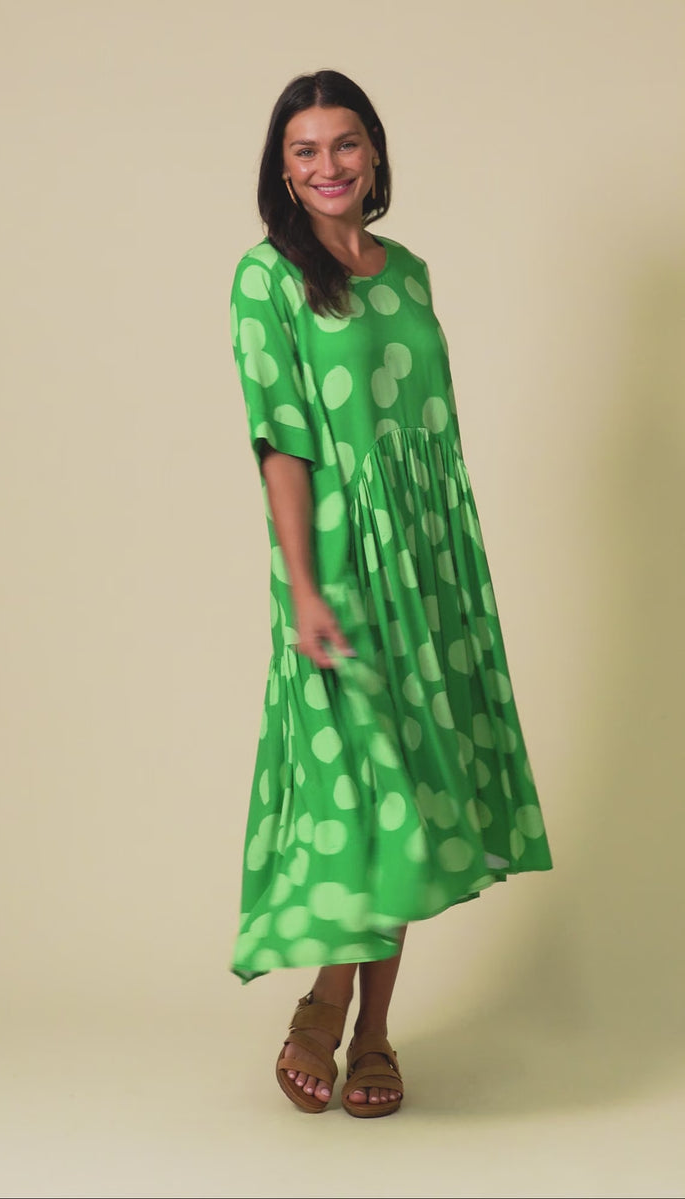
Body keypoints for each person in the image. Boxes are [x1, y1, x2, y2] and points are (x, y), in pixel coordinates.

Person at [228, 68, 552, 1119]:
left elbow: (430, 430)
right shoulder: (265, 278)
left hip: (428, 552)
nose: (328, 165)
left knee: (409, 776)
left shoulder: (407, 272)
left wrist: (447, 555)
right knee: (370, 789)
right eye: (305, 150)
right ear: (282, 170)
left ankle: (372, 1029)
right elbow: (279, 440)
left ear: (372, 153)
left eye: (344, 143)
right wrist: (303, 587)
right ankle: (331, 1004)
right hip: (335, 558)